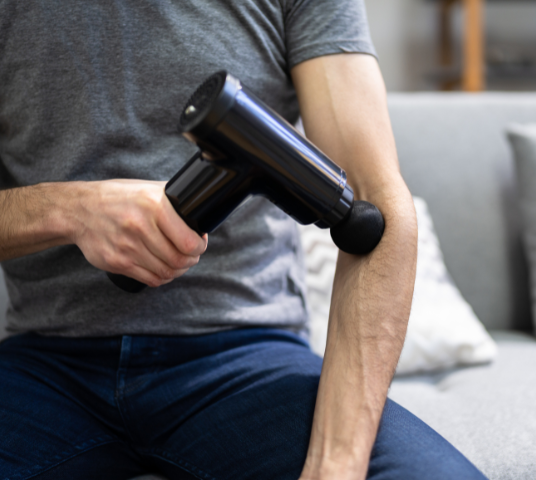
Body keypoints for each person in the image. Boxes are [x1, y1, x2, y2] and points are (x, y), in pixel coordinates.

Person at [0, 1, 487, 478]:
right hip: (45, 364)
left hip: (246, 359)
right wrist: (65, 210)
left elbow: (373, 210)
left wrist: (336, 464)